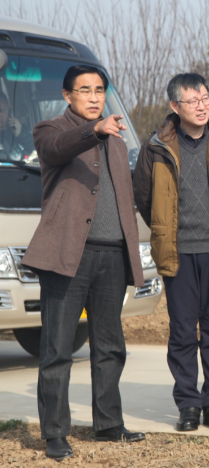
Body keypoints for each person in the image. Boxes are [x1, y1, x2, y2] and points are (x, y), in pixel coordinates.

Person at [22, 65, 146, 461]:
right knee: (57, 348)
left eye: (99, 90)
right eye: (85, 90)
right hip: (67, 256)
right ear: (67, 95)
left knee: (110, 346)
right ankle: (55, 434)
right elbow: (55, 149)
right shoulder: (51, 129)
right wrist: (94, 130)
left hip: (112, 255)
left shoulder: (117, 139)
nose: (94, 97)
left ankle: (109, 424)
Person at [134, 73, 209, 432]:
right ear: (174, 106)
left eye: (206, 99)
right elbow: (143, 197)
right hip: (177, 253)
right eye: (193, 101)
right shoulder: (156, 147)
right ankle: (188, 405)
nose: (202, 106)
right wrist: (165, 229)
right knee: (182, 331)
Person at [0, 93, 35, 161]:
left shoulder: (21, 129)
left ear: (9, 109)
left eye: (2, 110)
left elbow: (37, 150)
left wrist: (20, 133)